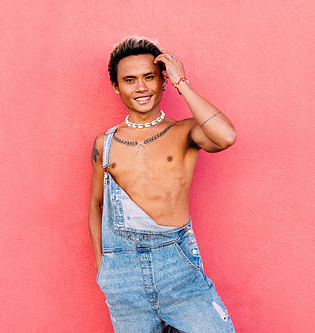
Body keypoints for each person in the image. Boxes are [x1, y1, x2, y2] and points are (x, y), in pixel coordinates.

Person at [89, 36, 237, 332]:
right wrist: (102, 265)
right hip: (122, 274)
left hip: (177, 266)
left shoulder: (184, 132)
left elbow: (226, 136)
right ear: (117, 87)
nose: (141, 87)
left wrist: (183, 82)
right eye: (130, 80)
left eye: (149, 78)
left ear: (163, 82)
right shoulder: (104, 143)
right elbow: (97, 204)